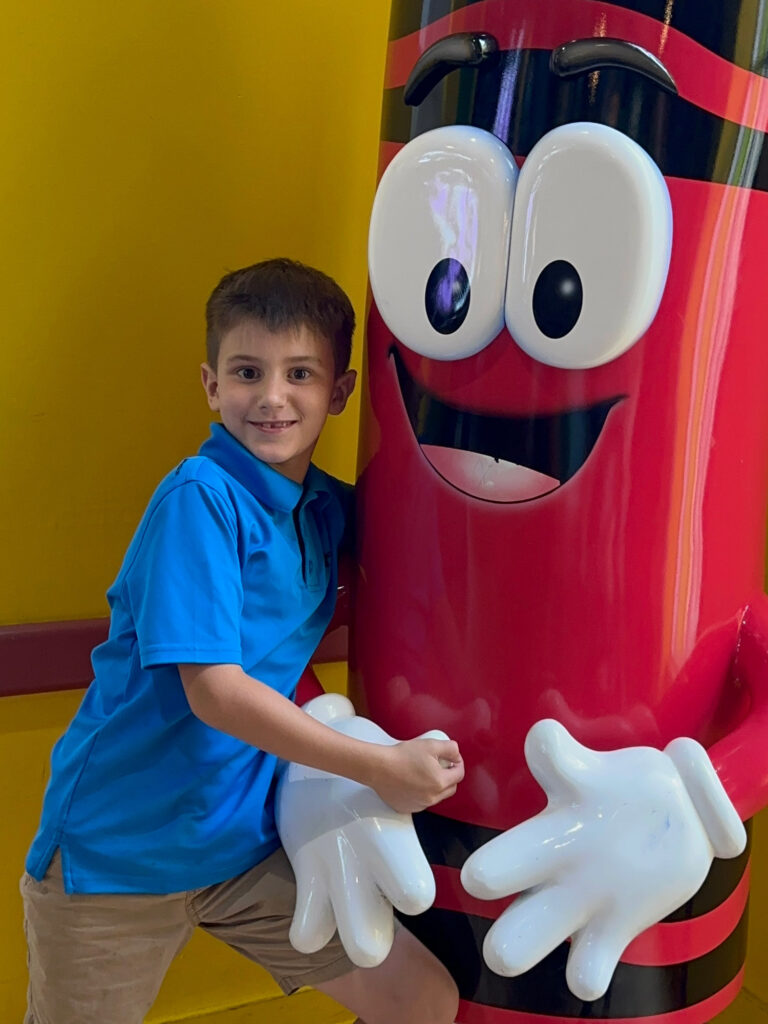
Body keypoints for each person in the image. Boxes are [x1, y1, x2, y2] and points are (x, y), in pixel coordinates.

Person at [21, 258, 464, 1024]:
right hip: (118, 857)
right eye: (248, 371)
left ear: (340, 390)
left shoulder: (324, 507)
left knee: (420, 998)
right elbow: (214, 690)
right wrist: (381, 767)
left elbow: (437, 537)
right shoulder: (199, 498)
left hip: (239, 850)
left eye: (299, 373)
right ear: (211, 384)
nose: (271, 397)